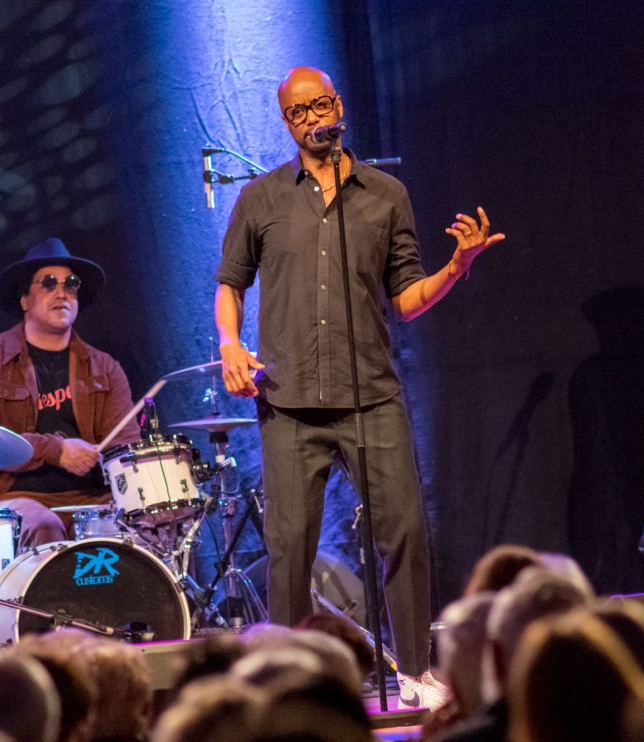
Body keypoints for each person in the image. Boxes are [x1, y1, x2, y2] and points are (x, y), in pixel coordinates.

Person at [214, 66, 506, 708]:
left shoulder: (385, 194)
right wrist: (230, 345)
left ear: (339, 105)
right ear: (287, 122)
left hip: (370, 395)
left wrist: (456, 269)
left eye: (323, 103)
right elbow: (230, 283)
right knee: (290, 547)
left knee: (404, 531)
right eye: (300, 111)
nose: (315, 116)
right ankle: (290, 683)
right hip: (288, 401)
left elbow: (405, 300)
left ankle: (414, 672)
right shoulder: (261, 199)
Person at [0, 238, 141, 547]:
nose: (62, 292)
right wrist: (57, 451)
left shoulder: (105, 367)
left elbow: (125, 446)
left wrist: (112, 458)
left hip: (92, 497)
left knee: (139, 526)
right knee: (43, 526)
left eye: (71, 284)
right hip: (12, 494)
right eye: (49, 283)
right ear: (24, 300)